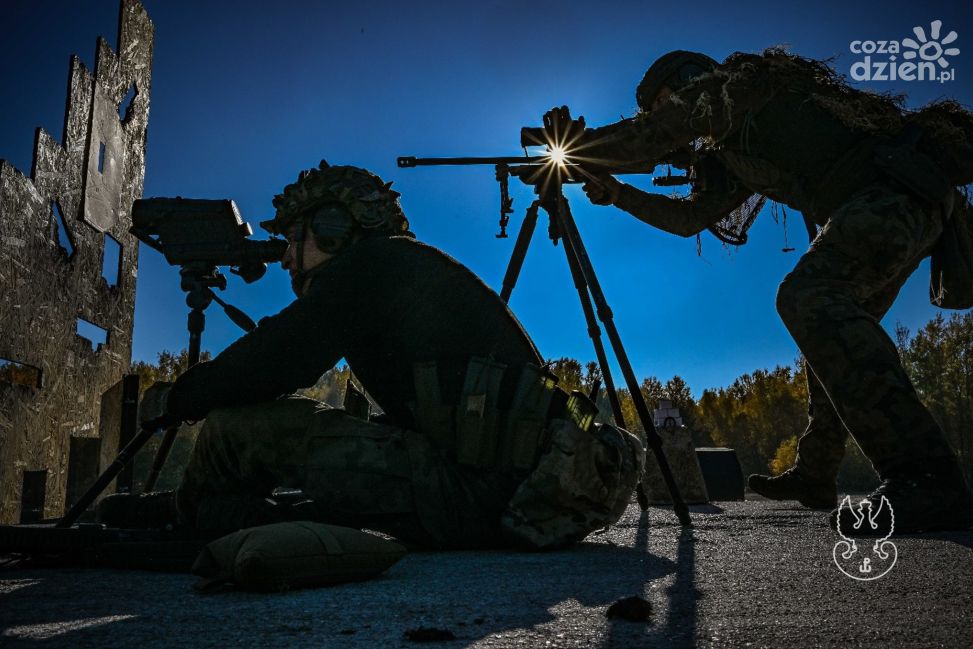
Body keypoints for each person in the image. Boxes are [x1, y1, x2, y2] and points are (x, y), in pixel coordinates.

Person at [555, 49, 973, 531]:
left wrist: (577, 147)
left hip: (893, 194)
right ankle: (816, 473)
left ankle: (927, 477)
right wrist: (618, 193)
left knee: (808, 300)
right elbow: (690, 218)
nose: (662, 113)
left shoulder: (731, 87)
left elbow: (651, 135)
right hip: (898, 201)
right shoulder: (732, 145)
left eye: (663, 101)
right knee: (832, 331)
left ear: (685, 82)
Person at [100, 161, 568, 549]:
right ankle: (206, 510)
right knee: (292, 480)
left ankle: (188, 517)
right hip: (498, 493)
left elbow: (278, 359)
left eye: (293, 240)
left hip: (471, 496)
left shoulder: (370, 268)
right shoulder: (400, 267)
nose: (285, 258)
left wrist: (177, 399)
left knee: (238, 429)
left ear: (332, 231)